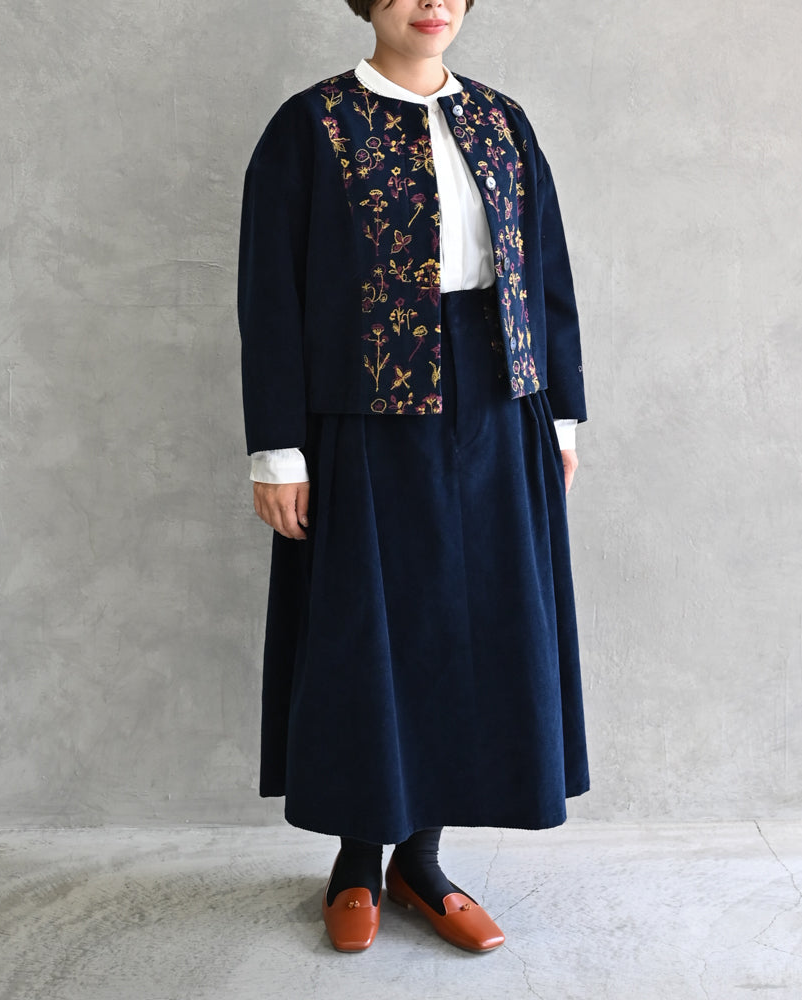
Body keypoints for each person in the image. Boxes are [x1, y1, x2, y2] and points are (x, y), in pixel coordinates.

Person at [237, 0, 589, 953]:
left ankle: (420, 863)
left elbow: (545, 273)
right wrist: (277, 449)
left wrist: (558, 414)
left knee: (473, 631)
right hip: (361, 408)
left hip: (497, 403)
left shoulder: (501, 120)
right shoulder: (311, 125)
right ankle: (356, 860)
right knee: (367, 631)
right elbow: (269, 293)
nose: (431, 2)